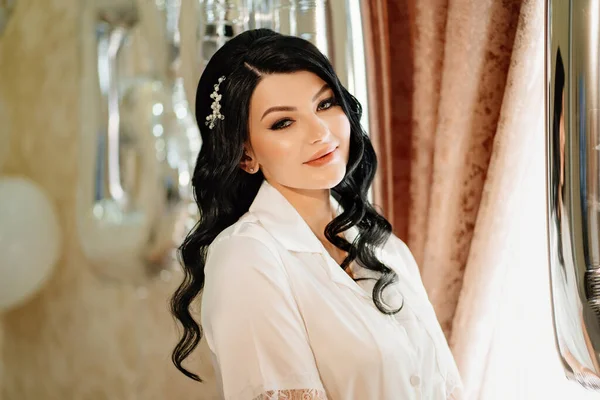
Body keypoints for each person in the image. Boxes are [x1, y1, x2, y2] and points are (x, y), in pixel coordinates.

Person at [170, 28, 463, 400]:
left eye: (325, 104)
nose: (321, 132)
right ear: (246, 155)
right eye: (283, 122)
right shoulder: (247, 257)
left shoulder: (383, 247)